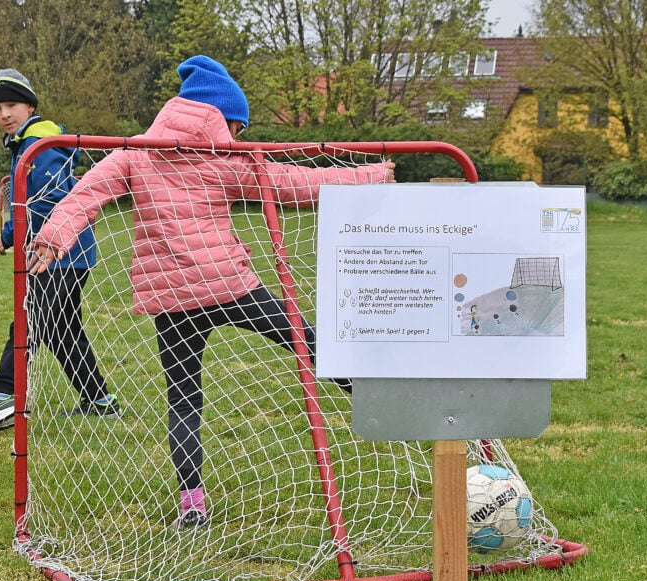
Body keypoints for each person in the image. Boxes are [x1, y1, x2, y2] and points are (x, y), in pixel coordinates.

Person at [27, 55, 395, 528]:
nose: (238, 138)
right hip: (230, 285)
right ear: (219, 118)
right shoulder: (225, 160)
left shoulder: (131, 154)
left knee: (183, 398)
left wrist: (54, 236)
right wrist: (374, 176)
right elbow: (295, 182)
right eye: (237, 127)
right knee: (305, 339)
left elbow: (84, 195)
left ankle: (192, 505)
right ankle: (371, 394)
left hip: (172, 300)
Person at [0, 68, 120, 438]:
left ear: (30, 105)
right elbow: (24, 200)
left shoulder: (40, 142)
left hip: (60, 251)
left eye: (11, 105)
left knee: (29, 316)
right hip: (64, 252)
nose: (4, 115)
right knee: (62, 328)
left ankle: (3, 396)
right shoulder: (25, 143)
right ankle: (98, 398)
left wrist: (18, 233)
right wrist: (11, 234)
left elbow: (45, 201)